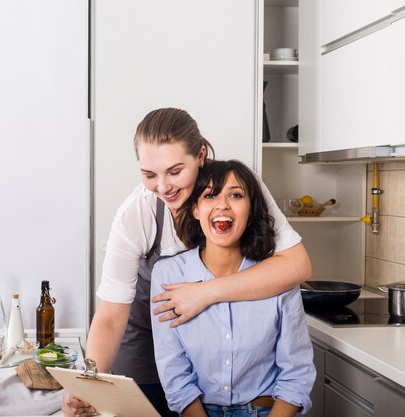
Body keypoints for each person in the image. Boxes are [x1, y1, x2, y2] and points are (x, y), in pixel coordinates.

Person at [62, 108, 312, 417]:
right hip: (148, 340)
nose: (163, 186)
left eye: (175, 171)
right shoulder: (136, 214)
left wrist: (203, 292)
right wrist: (90, 383)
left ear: (201, 155)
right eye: (149, 174)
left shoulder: (241, 189)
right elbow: (111, 317)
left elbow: (296, 266)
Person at [150, 159, 316, 417]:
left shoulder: (278, 276)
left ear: (251, 210)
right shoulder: (168, 273)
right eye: (210, 195)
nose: (222, 205)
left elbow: (297, 373)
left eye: (236, 195)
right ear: (195, 209)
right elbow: (173, 370)